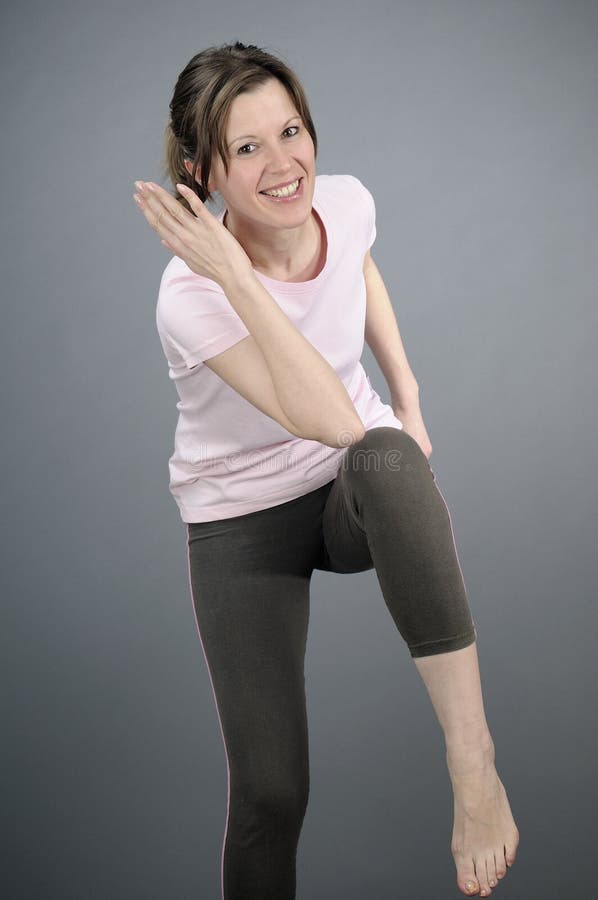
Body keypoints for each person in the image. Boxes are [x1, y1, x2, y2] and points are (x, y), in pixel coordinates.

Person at [133, 41, 519, 900]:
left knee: (385, 455)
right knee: (271, 793)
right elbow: (327, 416)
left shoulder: (344, 202)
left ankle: (475, 764)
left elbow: (360, 270)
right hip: (241, 522)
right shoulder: (189, 294)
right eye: (247, 148)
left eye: (292, 130)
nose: (285, 165)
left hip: (353, 485)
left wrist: (410, 397)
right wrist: (235, 273)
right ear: (202, 172)